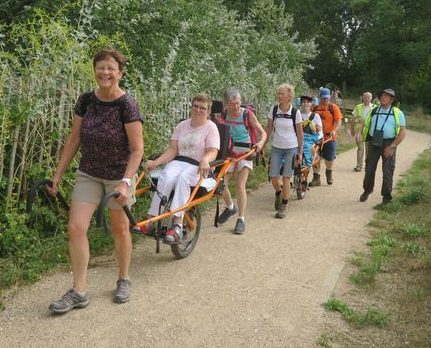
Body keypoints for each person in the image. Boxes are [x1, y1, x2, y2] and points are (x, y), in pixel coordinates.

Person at [48, 49, 144, 314]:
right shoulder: (86, 101)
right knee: (76, 227)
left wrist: (126, 182)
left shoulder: (127, 105)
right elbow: (74, 139)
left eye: (111, 68)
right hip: (89, 172)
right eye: (101, 67)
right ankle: (79, 290)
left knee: (120, 230)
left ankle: (123, 279)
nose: (105, 72)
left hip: (118, 177)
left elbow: (137, 149)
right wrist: (57, 175)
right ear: (94, 70)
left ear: (120, 73)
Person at [143, 93, 220, 243]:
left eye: (202, 108)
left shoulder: (211, 128)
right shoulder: (182, 125)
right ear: (191, 107)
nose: (198, 110)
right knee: (166, 176)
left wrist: (205, 159)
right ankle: (151, 219)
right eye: (195, 106)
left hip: (199, 165)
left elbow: (213, 151)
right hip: (179, 161)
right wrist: (156, 162)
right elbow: (172, 150)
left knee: (183, 179)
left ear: (208, 111)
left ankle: (177, 223)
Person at [216, 88, 267, 235]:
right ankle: (231, 207)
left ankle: (241, 219)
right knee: (220, 184)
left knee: (240, 185)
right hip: (229, 153)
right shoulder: (224, 114)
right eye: (231, 104)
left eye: (237, 103)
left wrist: (260, 144)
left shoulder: (247, 114)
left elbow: (262, 132)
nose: (235, 107)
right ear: (226, 104)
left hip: (246, 153)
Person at [359, 88, 406, 205]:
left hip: (389, 143)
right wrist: (359, 132)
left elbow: (402, 132)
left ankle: (386, 197)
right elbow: (364, 122)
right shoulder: (374, 111)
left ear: (392, 99)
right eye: (382, 95)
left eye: (387, 96)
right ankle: (367, 190)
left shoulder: (397, 113)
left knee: (387, 170)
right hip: (374, 141)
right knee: (369, 168)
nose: (384, 97)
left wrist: (393, 146)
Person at [265, 83, 304, 219]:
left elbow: (300, 134)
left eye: (282, 94)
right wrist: (263, 145)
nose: (279, 96)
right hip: (276, 148)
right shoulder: (274, 110)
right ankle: (278, 192)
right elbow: (269, 129)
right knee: (273, 177)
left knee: (286, 177)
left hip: (291, 149)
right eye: (278, 93)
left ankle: (284, 206)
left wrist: (300, 152)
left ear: (289, 96)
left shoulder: (295, 112)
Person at [310, 87, 343, 186]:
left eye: (327, 98)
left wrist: (334, 130)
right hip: (316, 138)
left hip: (330, 138)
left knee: (329, 159)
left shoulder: (333, 107)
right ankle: (316, 178)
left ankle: (329, 172)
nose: (326, 100)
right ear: (319, 97)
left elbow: (339, 121)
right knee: (315, 157)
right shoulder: (314, 108)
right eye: (324, 98)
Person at [351, 92, 375, 172]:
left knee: (369, 149)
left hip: (369, 131)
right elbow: (353, 119)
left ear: (371, 98)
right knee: (360, 148)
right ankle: (359, 166)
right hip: (359, 132)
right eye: (365, 97)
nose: (367, 99)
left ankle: (368, 165)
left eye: (368, 97)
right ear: (363, 98)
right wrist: (352, 130)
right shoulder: (358, 107)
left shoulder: (375, 108)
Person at [299, 94, 323, 168]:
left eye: (308, 102)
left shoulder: (315, 116)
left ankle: (307, 163)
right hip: (299, 137)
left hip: (310, 137)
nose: (306, 103)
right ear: (300, 103)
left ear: (311, 103)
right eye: (303, 102)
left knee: (305, 146)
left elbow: (320, 131)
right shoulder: (297, 114)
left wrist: (319, 137)